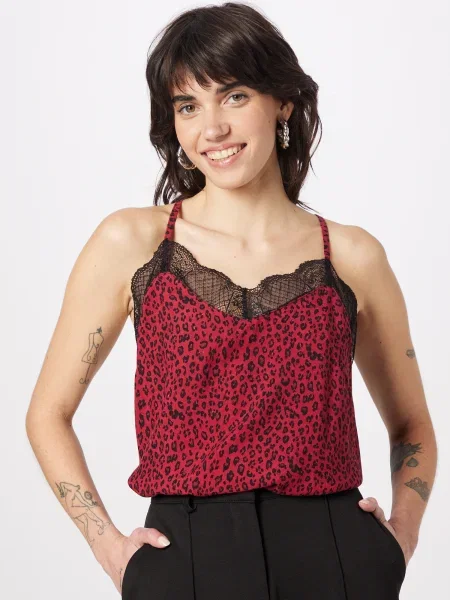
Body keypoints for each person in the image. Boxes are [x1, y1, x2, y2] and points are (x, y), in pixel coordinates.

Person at [25, 2, 437, 599]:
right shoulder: (133, 243)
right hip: (186, 557)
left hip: (337, 556)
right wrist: (109, 547)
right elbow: (47, 413)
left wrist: (400, 539)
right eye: (188, 106)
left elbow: (411, 422)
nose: (212, 129)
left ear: (283, 101)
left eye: (234, 96)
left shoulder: (353, 256)